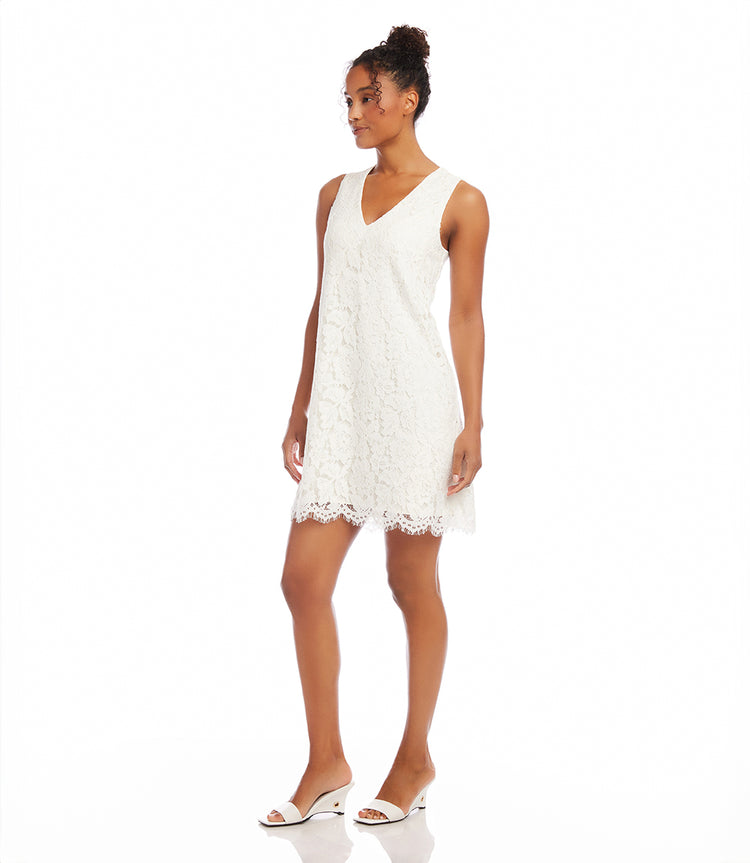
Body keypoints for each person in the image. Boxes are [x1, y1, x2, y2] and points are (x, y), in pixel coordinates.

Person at [259, 24, 488, 827]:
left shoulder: (460, 200)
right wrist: (300, 403)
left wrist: (473, 421)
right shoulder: (333, 195)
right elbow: (324, 303)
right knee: (302, 579)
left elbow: (466, 317)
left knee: (409, 582)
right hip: (343, 409)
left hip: (417, 408)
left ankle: (414, 757)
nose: (354, 113)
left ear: (409, 99)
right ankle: (327, 760)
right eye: (349, 100)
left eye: (368, 98)